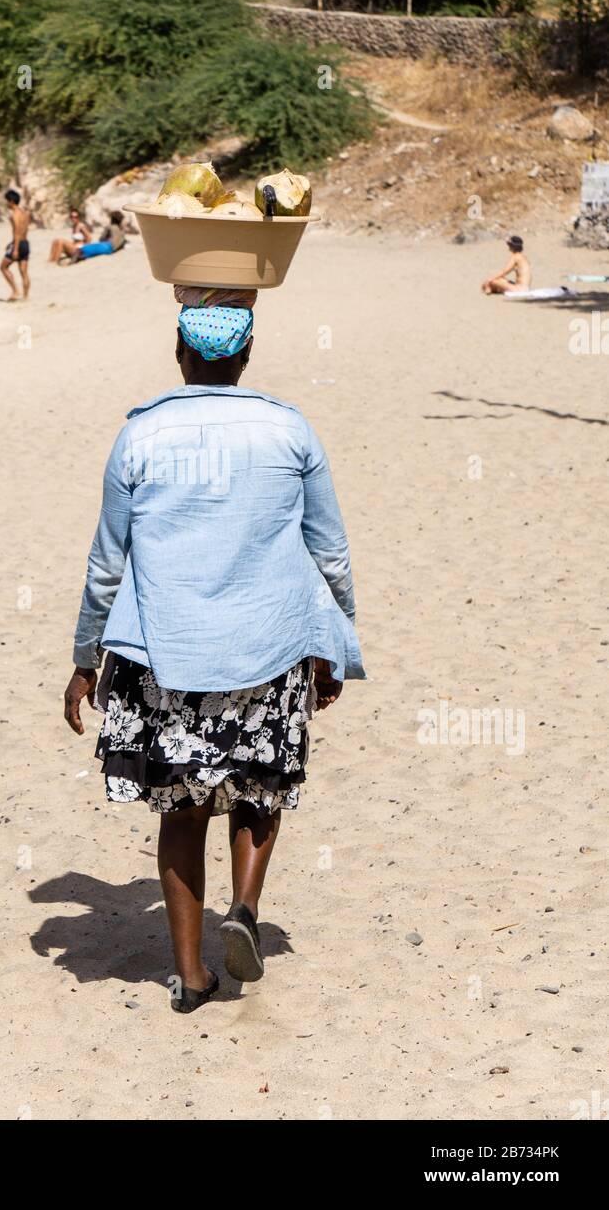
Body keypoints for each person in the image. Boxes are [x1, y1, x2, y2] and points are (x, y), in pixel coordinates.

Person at [63, 306, 364, 1013]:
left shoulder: (141, 433)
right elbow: (331, 551)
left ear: (178, 352)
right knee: (261, 788)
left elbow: (107, 563)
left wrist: (84, 657)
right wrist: (335, 641)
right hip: (270, 646)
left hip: (168, 658)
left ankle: (192, 976)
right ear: (248, 353)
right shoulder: (290, 429)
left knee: (181, 811)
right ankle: (246, 908)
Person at [0, 189, 31, 300]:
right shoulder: (24, 213)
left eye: (7, 201)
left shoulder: (15, 215)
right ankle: (26, 296)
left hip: (18, 244)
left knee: (3, 267)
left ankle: (15, 291)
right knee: (24, 272)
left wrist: (15, 248)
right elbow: (24, 230)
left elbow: (17, 231)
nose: (6, 203)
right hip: (26, 243)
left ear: (12, 201)